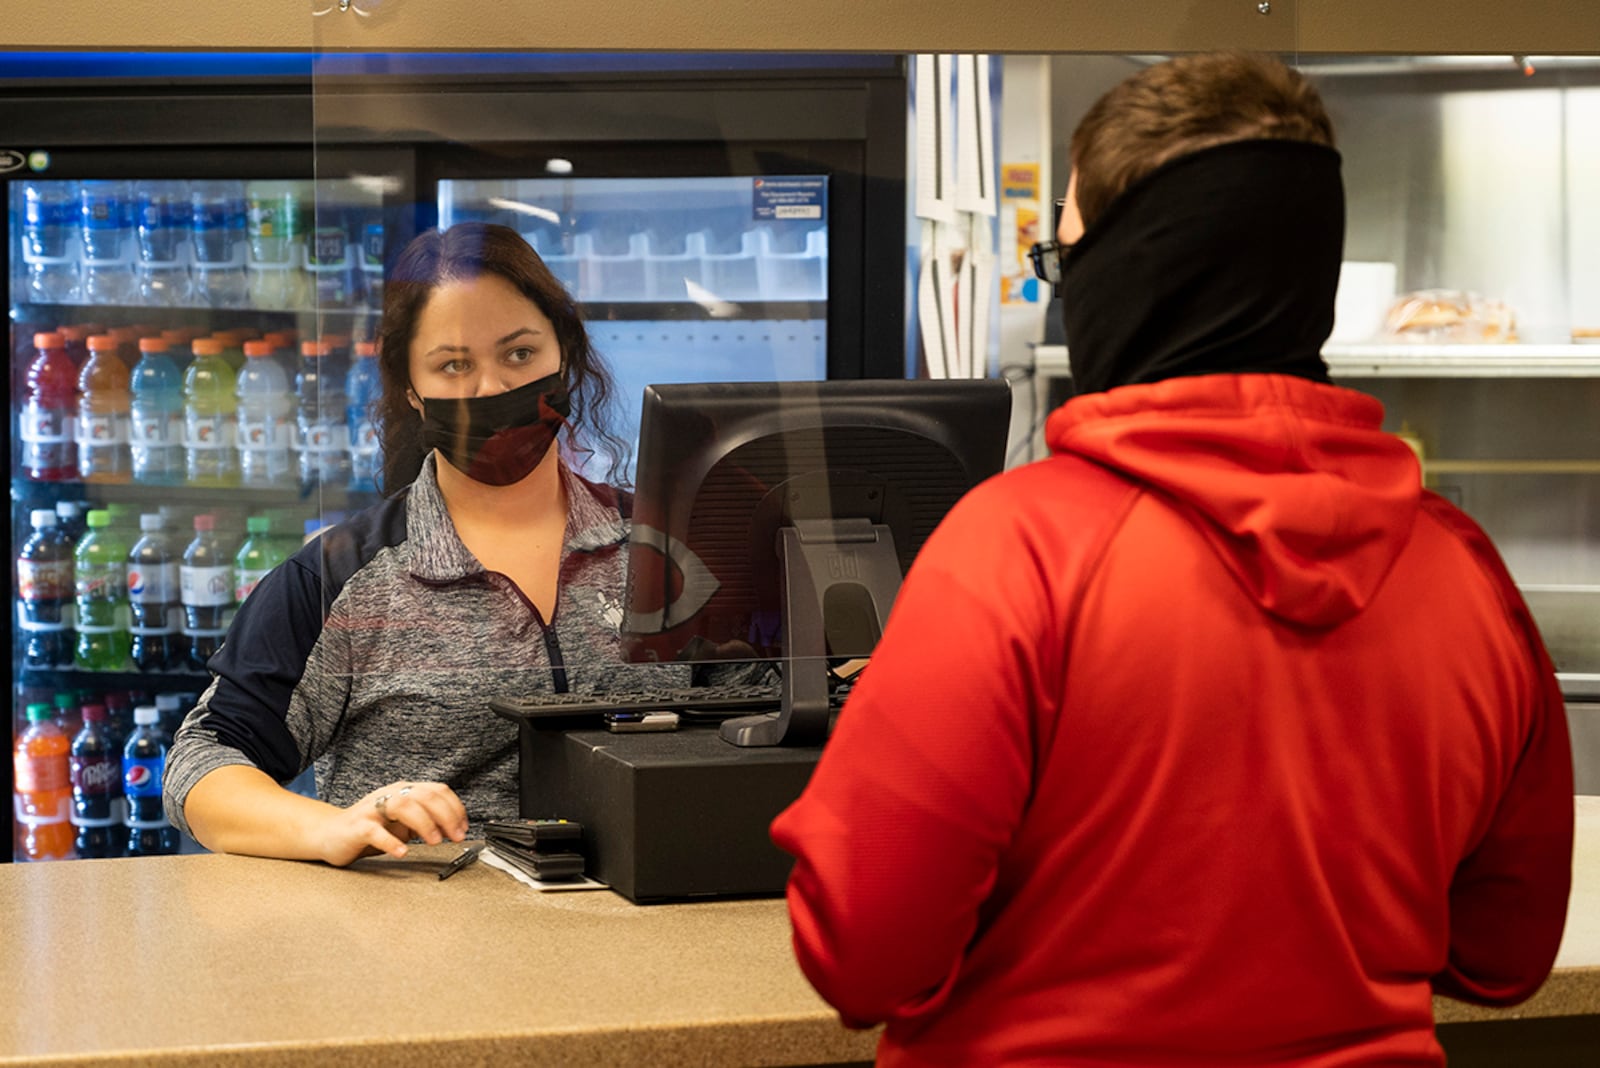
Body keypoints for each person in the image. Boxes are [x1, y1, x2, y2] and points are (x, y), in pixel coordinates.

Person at [770, 52, 1574, 1066]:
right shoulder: (1463, 573)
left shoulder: (1015, 550)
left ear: (1128, 267)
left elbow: (863, 954)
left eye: (1063, 250)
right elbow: (1502, 957)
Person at [165, 222, 685, 866]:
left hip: (653, 937)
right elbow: (204, 760)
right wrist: (328, 827)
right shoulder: (341, 577)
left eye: (519, 354)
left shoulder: (667, 548)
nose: (491, 388)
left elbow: (783, 718)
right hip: (423, 949)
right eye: (454, 364)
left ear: (565, 355)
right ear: (412, 390)